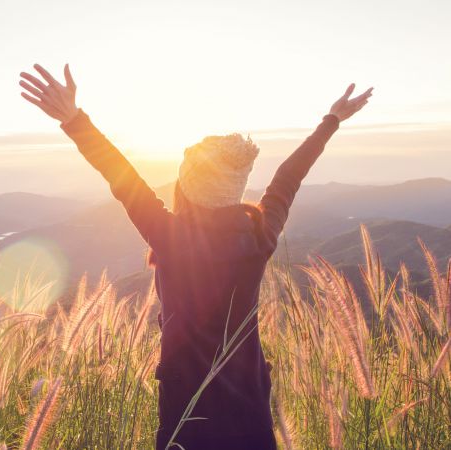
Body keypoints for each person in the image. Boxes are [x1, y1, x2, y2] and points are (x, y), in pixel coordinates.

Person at [19, 63, 372, 450]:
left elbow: (121, 176)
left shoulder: (171, 237)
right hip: (251, 413)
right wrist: (332, 120)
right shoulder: (260, 236)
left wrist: (73, 119)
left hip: (187, 416)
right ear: (237, 187)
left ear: (186, 184)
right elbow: (289, 176)